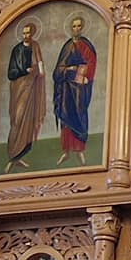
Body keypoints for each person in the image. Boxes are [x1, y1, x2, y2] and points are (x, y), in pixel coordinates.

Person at [52, 15, 97, 165]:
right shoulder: (67, 46)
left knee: (79, 115)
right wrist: (67, 70)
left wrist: (81, 73)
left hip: (79, 89)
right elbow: (58, 70)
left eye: (79, 26)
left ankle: (80, 151)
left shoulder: (86, 45)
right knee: (66, 118)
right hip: (66, 89)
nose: (76, 29)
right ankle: (66, 151)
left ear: (82, 28)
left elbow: (91, 64)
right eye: (74, 26)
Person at [4, 19, 44, 170]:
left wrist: (38, 71)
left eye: (28, 33)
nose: (26, 35)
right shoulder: (17, 50)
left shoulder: (35, 46)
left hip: (31, 88)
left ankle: (19, 156)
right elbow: (11, 73)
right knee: (17, 119)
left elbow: (39, 65)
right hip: (19, 88)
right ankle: (12, 154)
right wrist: (24, 71)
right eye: (24, 33)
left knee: (28, 120)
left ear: (32, 34)